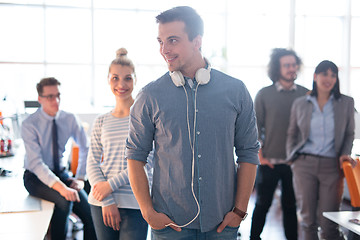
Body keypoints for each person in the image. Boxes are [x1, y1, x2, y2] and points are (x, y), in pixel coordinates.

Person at [125, 6, 260, 240]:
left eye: (173, 41)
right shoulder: (149, 96)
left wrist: (239, 211)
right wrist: (148, 213)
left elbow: (248, 152)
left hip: (222, 224)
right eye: (160, 41)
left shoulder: (236, 91)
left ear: (197, 41)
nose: (164, 50)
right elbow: (135, 156)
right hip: (169, 226)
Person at [86, 48, 153, 240]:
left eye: (127, 78)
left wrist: (110, 186)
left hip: (135, 201)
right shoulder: (101, 120)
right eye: (115, 78)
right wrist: (106, 198)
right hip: (101, 202)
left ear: (135, 80)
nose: (121, 84)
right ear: (108, 79)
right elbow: (92, 162)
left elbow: (146, 163)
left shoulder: (144, 118)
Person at [286, 60, 356, 240]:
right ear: (315, 76)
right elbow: (292, 133)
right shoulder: (300, 103)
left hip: (332, 166)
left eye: (333, 75)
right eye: (325, 74)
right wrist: (292, 159)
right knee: (308, 222)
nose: (329, 78)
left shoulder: (346, 103)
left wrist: (344, 153)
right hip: (304, 165)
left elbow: (349, 133)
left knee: (329, 223)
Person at [21, 77, 96, 240]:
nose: (56, 100)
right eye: (50, 96)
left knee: (90, 214)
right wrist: (62, 188)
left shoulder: (69, 118)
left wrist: (81, 178)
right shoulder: (29, 124)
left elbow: (85, 147)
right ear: (40, 99)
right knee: (64, 201)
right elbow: (36, 163)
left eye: (58, 95)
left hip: (62, 174)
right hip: (35, 177)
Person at [250, 48, 309, 240]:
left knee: (290, 207)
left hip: (295, 164)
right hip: (270, 161)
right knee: (262, 204)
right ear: (278, 68)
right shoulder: (264, 94)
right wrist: (260, 156)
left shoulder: (305, 94)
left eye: (293, 65)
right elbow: (254, 127)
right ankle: (254, 238)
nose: (291, 68)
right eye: (287, 65)